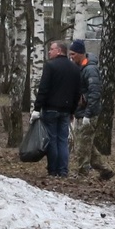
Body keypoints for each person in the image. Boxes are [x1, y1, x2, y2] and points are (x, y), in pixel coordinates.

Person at [31, 40, 84, 177]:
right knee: (63, 140)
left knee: (52, 139)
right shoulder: (74, 68)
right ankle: (63, 170)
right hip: (66, 110)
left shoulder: (50, 66)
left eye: (51, 49)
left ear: (59, 51)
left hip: (50, 109)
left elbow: (44, 88)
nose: (49, 51)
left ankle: (53, 170)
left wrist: (37, 108)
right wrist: (72, 110)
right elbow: (77, 92)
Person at [68, 40, 114, 180]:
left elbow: (95, 93)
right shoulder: (81, 68)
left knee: (82, 145)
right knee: (86, 144)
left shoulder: (90, 69)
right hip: (81, 112)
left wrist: (88, 114)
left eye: (73, 54)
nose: (71, 57)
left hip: (88, 113)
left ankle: (82, 173)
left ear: (81, 53)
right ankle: (105, 170)